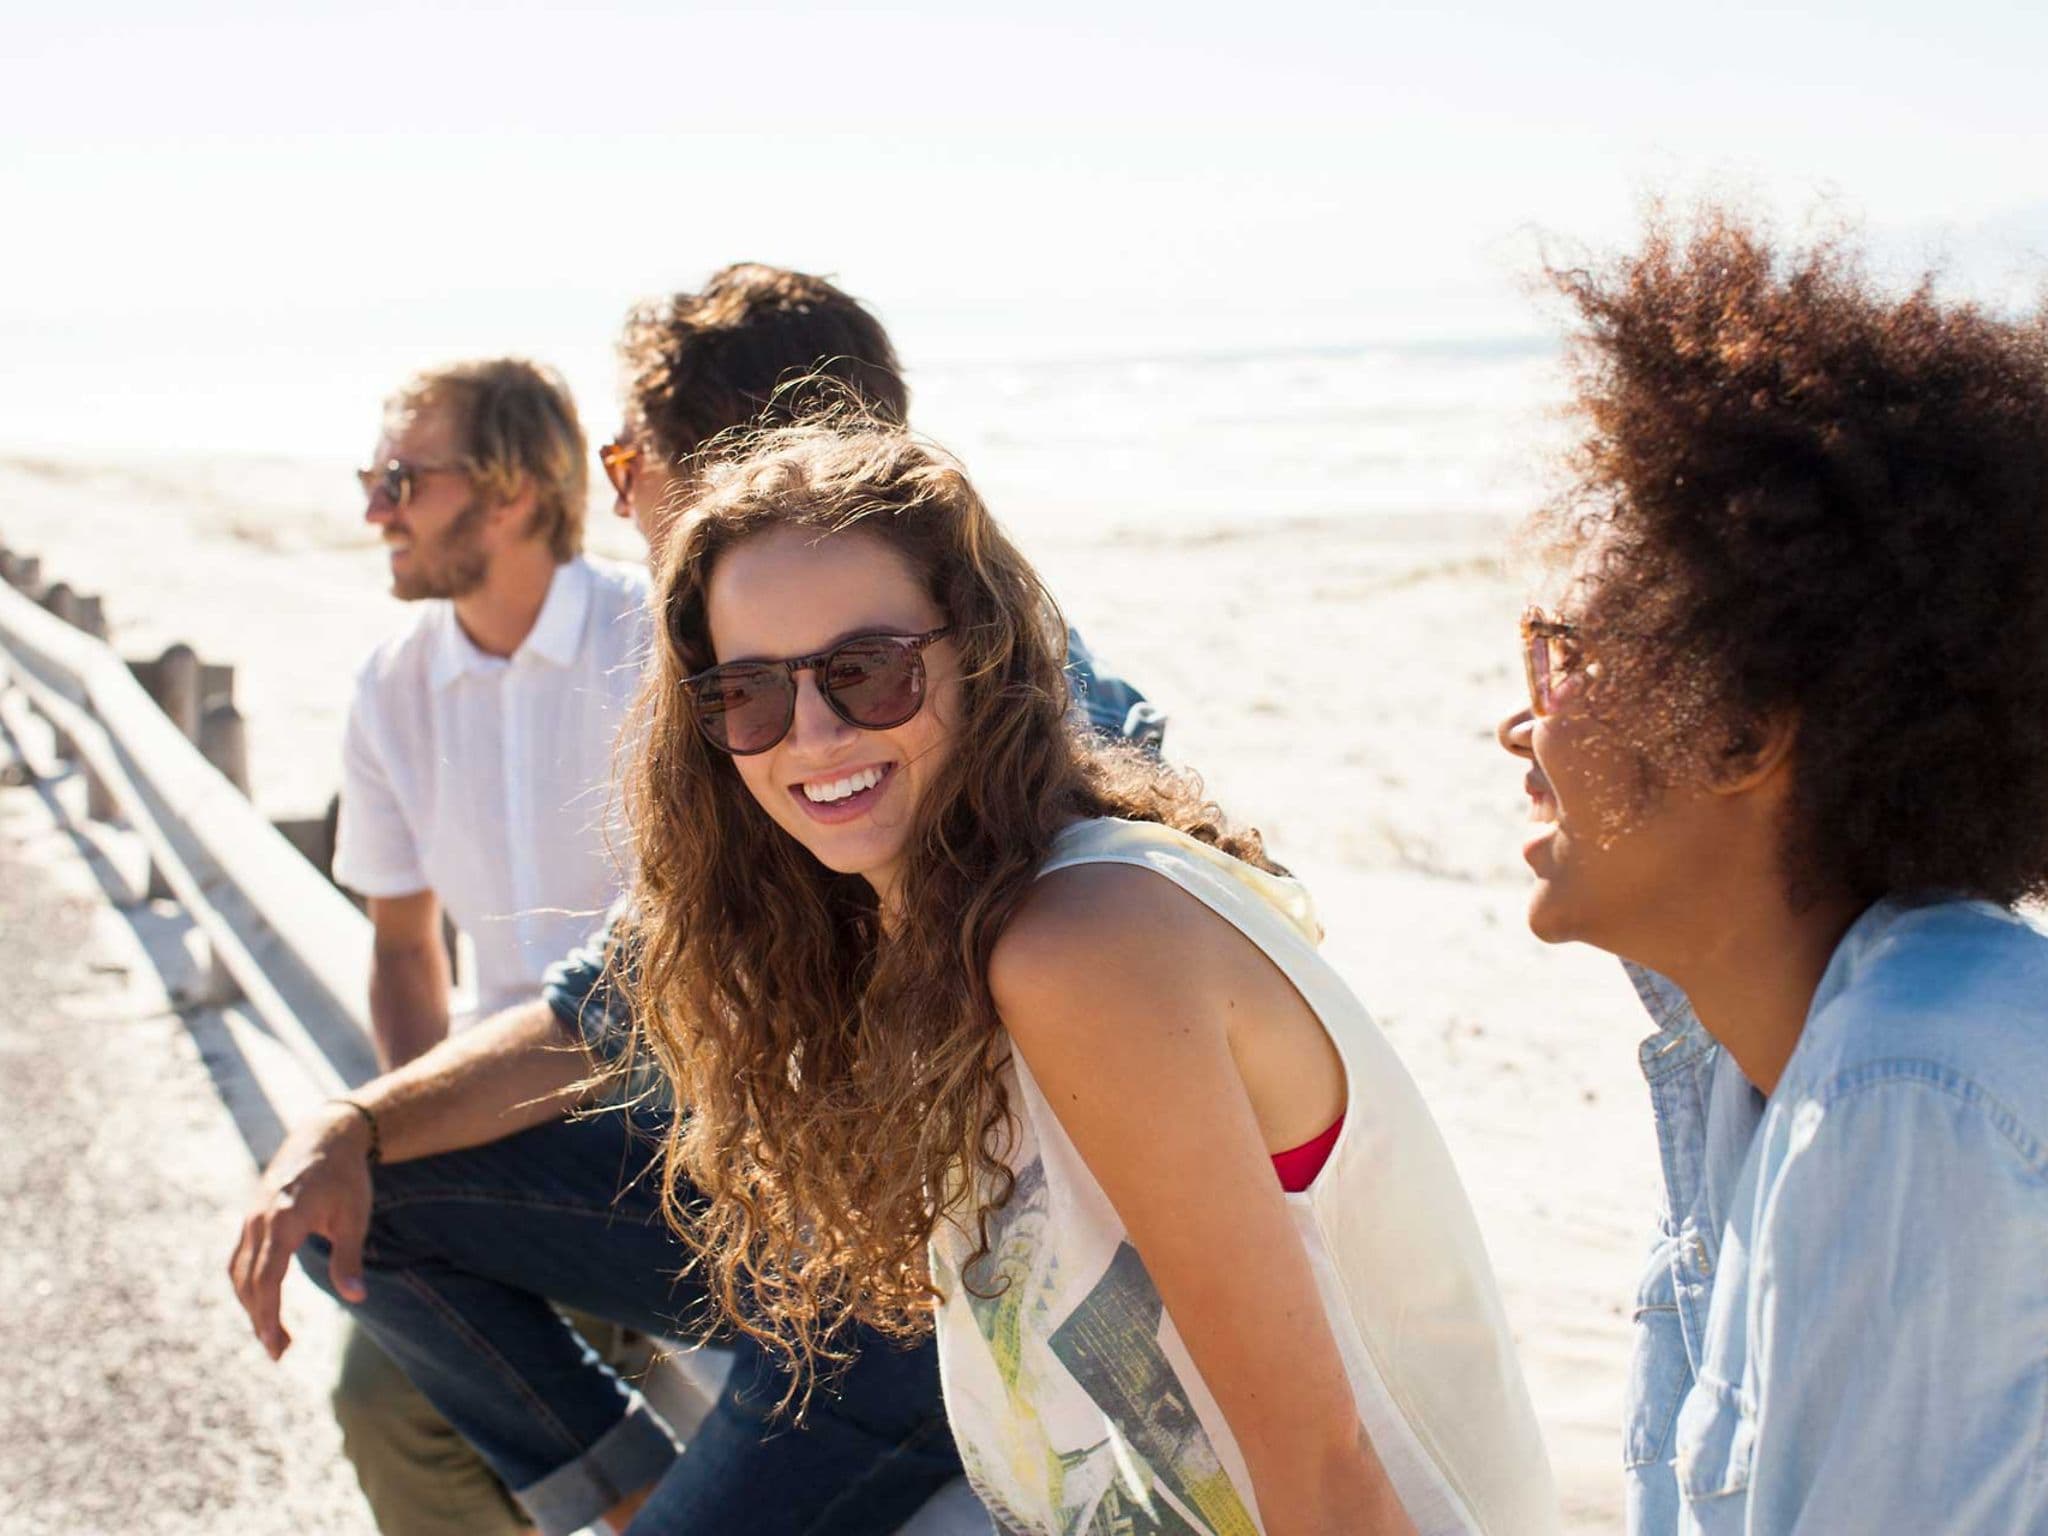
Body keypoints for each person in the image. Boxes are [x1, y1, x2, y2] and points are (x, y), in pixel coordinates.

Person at [231, 264, 1154, 1536]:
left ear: (729, 473)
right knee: (363, 1205)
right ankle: (625, 1491)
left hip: (935, 1305)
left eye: (628, 460)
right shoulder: (754, 696)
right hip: (790, 1224)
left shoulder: (997, 715)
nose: (617, 502)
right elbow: (610, 1006)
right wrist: (348, 1124)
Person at [615, 421, 1561, 1536]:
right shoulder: (950, 938)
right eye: (750, 694)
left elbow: (1319, 1464)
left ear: (975, 656)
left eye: (866, 672)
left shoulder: (1082, 944)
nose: (811, 734)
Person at [1495, 211, 2048, 1534]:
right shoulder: (1753, 1066)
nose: (1523, 724)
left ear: (1741, 731)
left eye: (1565, 659)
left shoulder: (1915, 1079)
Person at [331, 357, 652, 1535]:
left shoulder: (656, 643)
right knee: (378, 1394)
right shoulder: (391, 683)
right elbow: (406, 950)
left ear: (514, 492)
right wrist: (410, 1143)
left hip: (670, 1109)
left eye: (401, 479)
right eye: (374, 478)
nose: (376, 510)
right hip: (498, 1102)